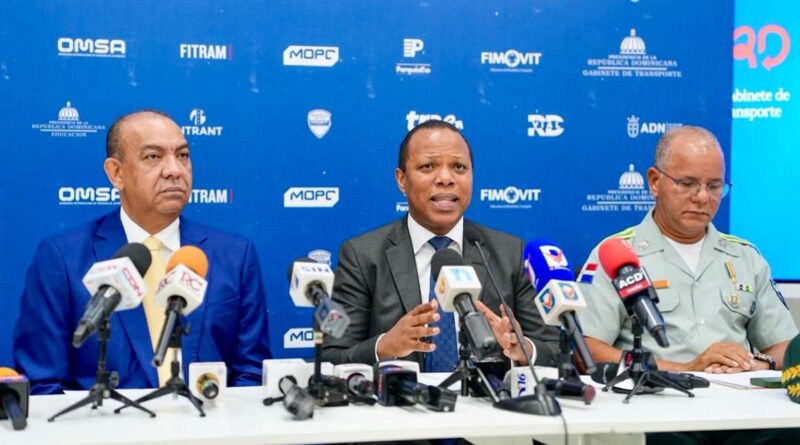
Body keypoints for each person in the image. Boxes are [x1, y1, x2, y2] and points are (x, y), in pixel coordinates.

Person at [13, 110, 271, 394]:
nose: (174, 170)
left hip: (209, 421)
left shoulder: (235, 255)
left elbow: (251, 374)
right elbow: (43, 384)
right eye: (153, 157)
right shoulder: (63, 258)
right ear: (116, 173)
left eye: (183, 155)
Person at [321, 120, 559, 371]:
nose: (446, 178)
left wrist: (522, 348)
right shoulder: (362, 256)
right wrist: (383, 347)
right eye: (428, 166)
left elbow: (554, 351)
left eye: (459, 167)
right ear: (402, 179)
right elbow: (331, 356)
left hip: (488, 395)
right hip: (400, 396)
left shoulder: (511, 253)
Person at [579, 125, 797, 374]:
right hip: (654, 395)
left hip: (736, 395)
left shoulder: (745, 258)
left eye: (714, 186)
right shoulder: (618, 257)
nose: (702, 197)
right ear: (654, 182)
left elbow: (787, 346)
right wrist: (685, 369)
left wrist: (755, 364)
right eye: (687, 183)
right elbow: (587, 350)